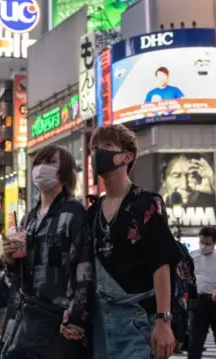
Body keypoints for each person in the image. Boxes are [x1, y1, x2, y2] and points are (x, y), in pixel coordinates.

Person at [88, 124, 181, 359]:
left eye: (107, 146)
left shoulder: (147, 203)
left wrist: (163, 321)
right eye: (94, 148)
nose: (98, 153)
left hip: (139, 321)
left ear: (127, 157)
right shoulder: (93, 210)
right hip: (101, 322)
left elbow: (161, 263)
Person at [0, 144, 94, 358]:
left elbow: (83, 268)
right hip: (28, 316)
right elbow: (16, 278)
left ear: (65, 172)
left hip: (60, 318)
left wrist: (76, 318)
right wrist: (10, 259)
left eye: (51, 162)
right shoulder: (28, 219)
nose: (42, 168)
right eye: (39, 163)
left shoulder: (74, 211)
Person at [188, 226, 216, 359]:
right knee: (195, 341)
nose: (204, 246)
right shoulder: (192, 256)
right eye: (202, 242)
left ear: (214, 243)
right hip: (198, 302)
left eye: (207, 244)